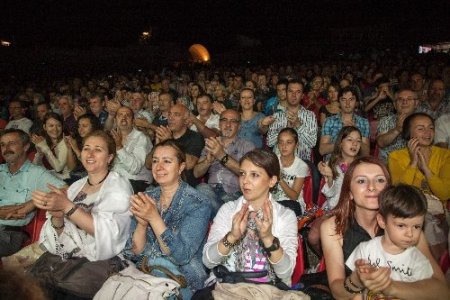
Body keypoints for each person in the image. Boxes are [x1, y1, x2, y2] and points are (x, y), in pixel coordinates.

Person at [320, 156, 448, 299]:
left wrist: (391, 287)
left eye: (380, 180)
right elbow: (338, 292)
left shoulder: (407, 228)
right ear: (349, 192)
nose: (372, 187)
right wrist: (356, 281)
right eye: (361, 181)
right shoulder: (333, 227)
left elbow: (442, 291)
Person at [31, 130, 133, 298]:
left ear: (110, 157)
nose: (90, 154)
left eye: (98, 149)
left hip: (100, 261)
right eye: (86, 148)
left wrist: (67, 207)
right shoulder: (76, 186)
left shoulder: (119, 187)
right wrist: (57, 216)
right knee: (29, 285)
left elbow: (107, 234)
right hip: (69, 256)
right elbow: (60, 233)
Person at [201, 149, 298, 296]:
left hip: (267, 290)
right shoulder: (229, 210)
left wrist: (268, 239)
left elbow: (285, 273)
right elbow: (208, 261)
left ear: (272, 180)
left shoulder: (285, 216)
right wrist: (232, 237)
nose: (245, 181)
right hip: (228, 287)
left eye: (254, 175)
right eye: (242, 174)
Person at [123, 140, 211, 299]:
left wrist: (153, 217)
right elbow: (135, 252)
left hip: (182, 277)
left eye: (167, 161)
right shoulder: (148, 197)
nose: (159, 166)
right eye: (155, 160)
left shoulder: (199, 203)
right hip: (146, 272)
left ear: (181, 167)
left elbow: (181, 256)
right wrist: (142, 225)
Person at [346, 184, 433, 299]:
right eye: (401, 225)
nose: (410, 234)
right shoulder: (365, 250)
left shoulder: (419, 262)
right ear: (382, 221)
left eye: (417, 227)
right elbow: (355, 293)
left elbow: (423, 295)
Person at [388, 112, 450, 260]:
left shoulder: (445, 155)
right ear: (409, 133)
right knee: (426, 223)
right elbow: (399, 191)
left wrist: (426, 170)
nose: (428, 133)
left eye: (430, 128)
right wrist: (413, 162)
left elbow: (445, 193)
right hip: (410, 209)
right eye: (421, 128)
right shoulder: (396, 156)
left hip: (439, 210)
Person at [0, 129, 65, 257]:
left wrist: (35, 202)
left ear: (26, 146)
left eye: (11, 143)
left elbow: (67, 190)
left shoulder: (37, 173)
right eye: (2, 144)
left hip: (9, 235)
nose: (6, 148)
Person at [194, 109, 255, 218]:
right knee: (200, 188)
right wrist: (208, 161)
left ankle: (221, 216)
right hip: (210, 192)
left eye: (233, 121)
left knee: (201, 203)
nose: (228, 124)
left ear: (239, 126)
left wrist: (221, 155)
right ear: (219, 124)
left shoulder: (247, 146)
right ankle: (225, 217)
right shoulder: (211, 143)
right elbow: (196, 173)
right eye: (224, 120)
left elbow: (248, 174)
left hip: (233, 195)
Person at [264, 79, 318, 161]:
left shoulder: (310, 115)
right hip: (280, 165)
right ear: (286, 93)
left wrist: (299, 125)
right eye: (290, 91)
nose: (293, 95)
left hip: (302, 164)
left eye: (298, 92)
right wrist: (285, 129)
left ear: (303, 95)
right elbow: (269, 142)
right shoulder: (277, 116)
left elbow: (312, 143)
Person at [111, 106, 153, 192]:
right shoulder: (111, 136)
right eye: (120, 115)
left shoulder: (141, 138)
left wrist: (119, 147)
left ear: (133, 121)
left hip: (136, 182)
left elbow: (135, 169)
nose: (124, 117)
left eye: (128, 115)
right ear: (115, 120)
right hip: (115, 178)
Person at [320, 86, 370, 158]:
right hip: (333, 163)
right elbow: (322, 150)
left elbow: (366, 152)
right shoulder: (330, 121)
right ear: (339, 102)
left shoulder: (364, 123)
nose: (347, 103)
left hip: (355, 164)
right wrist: (342, 141)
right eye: (344, 99)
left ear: (356, 102)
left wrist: (356, 133)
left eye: (351, 99)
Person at [271, 128, 308, 216]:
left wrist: (279, 179)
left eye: (289, 142)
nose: (284, 146)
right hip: (274, 201)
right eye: (281, 142)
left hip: (292, 203)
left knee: (288, 208)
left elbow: (294, 196)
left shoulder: (301, 165)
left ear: (296, 145)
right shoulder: (273, 160)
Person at [376, 89, 419, 162]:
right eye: (400, 99)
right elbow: (380, 143)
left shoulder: (423, 121)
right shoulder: (385, 120)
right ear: (395, 105)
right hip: (388, 163)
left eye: (409, 99)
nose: (404, 102)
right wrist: (397, 129)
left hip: (415, 162)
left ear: (416, 103)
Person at [31, 112, 71, 179]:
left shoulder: (65, 142)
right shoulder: (45, 141)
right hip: (49, 178)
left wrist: (45, 148)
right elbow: (35, 166)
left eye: (58, 126)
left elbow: (58, 168)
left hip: (64, 180)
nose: (55, 129)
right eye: (51, 126)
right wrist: (39, 153)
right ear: (45, 127)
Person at [65, 113, 101, 183]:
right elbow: (71, 168)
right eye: (79, 126)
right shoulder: (78, 141)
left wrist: (75, 149)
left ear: (93, 127)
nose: (80, 129)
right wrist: (69, 148)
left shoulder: (99, 141)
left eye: (84, 126)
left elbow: (92, 165)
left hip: (92, 177)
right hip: (76, 176)